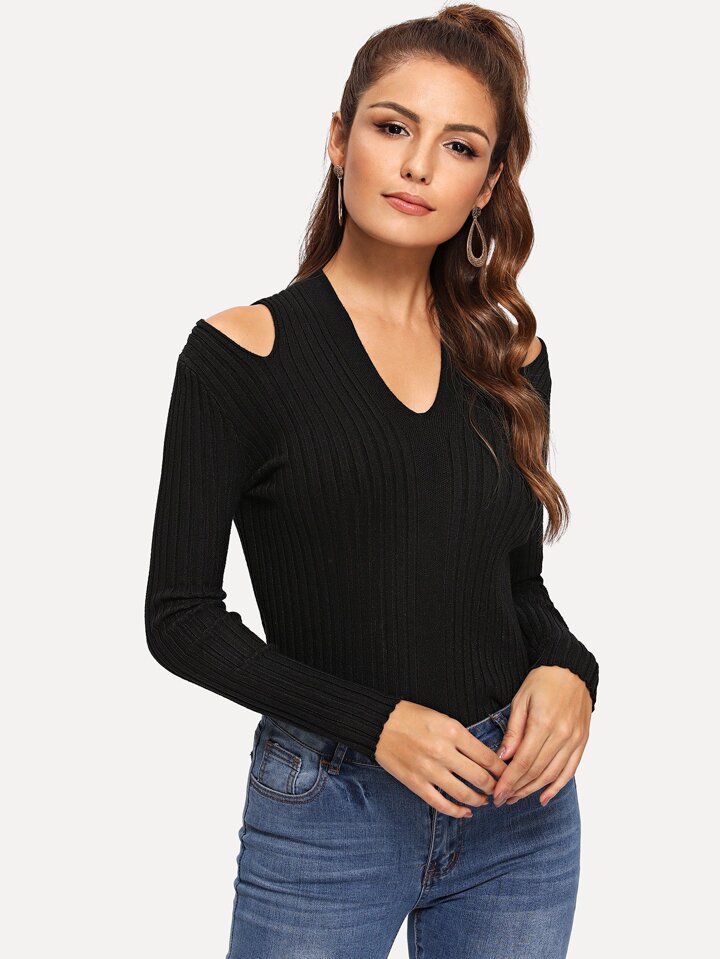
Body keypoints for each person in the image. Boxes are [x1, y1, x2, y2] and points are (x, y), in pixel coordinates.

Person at [144, 5, 599, 957]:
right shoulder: (239, 355)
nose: (419, 165)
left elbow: (516, 584)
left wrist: (570, 670)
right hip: (331, 809)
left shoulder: (512, 360)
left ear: (487, 184)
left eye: (459, 146)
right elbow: (180, 618)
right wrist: (377, 724)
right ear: (339, 137)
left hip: (518, 810)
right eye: (394, 127)